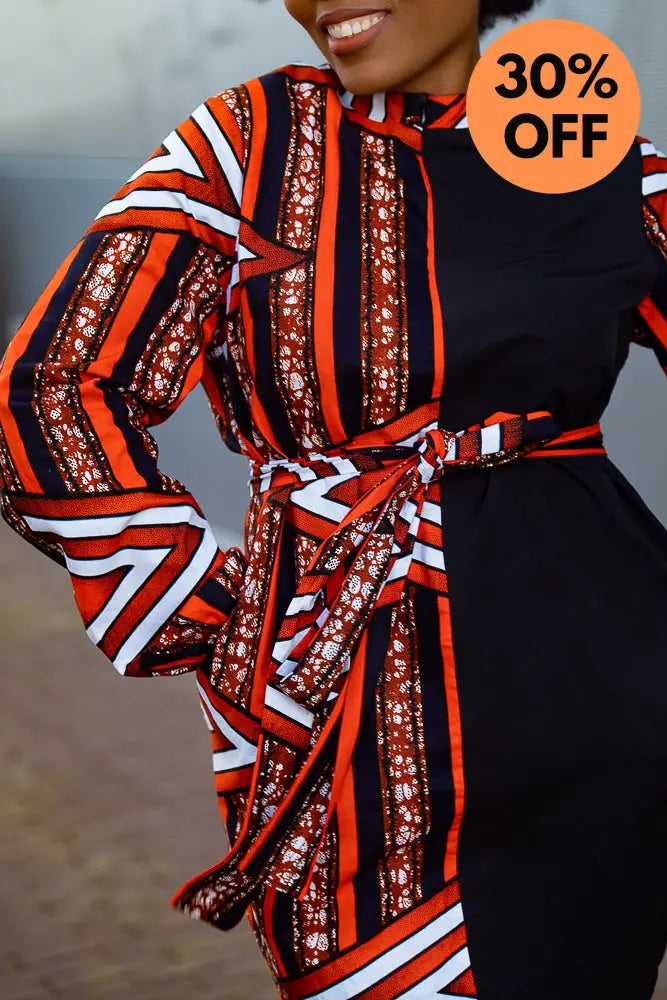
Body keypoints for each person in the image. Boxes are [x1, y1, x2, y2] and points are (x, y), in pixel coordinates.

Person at [1, 0, 667, 995]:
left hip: (606, 699)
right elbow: (50, 388)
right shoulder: (247, 147)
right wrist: (205, 611)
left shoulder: (594, 148)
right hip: (345, 716)